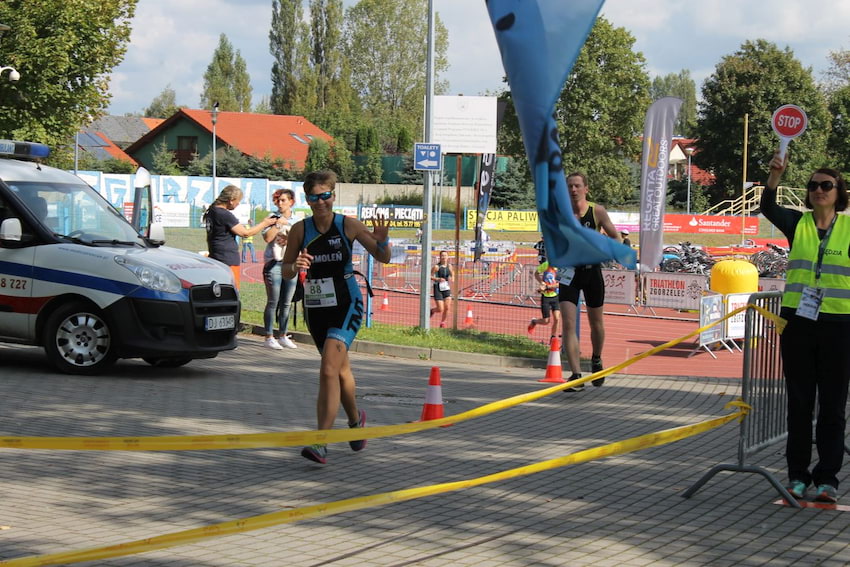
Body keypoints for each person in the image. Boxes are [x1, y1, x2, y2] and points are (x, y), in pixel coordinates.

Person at [282, 170, 391, 464]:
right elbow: (286, 270)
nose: (321, 202)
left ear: (333, 195)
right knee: (339, 372)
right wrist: (296, 265)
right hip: (316, 308)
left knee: (328, 369)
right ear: (307, 199)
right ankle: (356, 424)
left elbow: (383, 257)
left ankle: (321, 442)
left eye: (326, 195)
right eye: (314, 197)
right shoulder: (299, 230)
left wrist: (383, 242)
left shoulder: (348, 225)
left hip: (346, 303)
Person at [762, 151, 850, 503]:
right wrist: (774, 175)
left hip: (839, 325)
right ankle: (797, 477)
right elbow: (768, 206)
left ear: (839, 191)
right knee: (799, 404)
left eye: (826, 185)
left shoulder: (848, 228)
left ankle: (827, 479)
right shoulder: (797, 223)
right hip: (798, 322)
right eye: (813, 185)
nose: (818, 190)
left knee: (832, 405)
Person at [560, 172, 622, 391]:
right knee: (568, 323)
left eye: (577, 186)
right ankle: (576, 376)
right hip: (569, 273)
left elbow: (616, 237)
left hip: (592, 272)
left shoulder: (597, 211)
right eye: (569, 186)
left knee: (596, 322)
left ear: (586, 189)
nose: (573, 190)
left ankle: (596, 358)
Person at [203, 185, 276, 288]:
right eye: (238, 200)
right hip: (227, 259)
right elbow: (245, 233)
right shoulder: (224, 214)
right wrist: (265, 223)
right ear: (231, 200)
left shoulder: (212, 211)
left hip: (216, 256)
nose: (238, 203)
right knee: (231, 291)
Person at [261, 189, 298, 350]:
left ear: (291, 202)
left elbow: (302, 241)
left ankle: (283, 335)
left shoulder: (298, 219)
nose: (280, 203)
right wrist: (278, 224)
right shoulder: (272, 217)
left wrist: (289, 239)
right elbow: (267, 238)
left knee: (287, 303)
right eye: (278, 201)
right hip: (274, 264)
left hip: (291, 264)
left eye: (283, 200)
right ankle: (269, 336)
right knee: (273, 301)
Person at [529, 258, 561, 339]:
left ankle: (553, 337)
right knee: (546, 321)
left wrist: (547, 286)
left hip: (556, 296)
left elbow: (559, 284)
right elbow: (536, 273)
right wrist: (541, 282)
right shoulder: (546, 265)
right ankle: (534, 321)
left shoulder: (560, 268)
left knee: (557, 318)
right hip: (546, 297)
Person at [430, 250, 453, 328]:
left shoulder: (449, 266)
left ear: (448, 257)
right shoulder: (436, 267)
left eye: (445, 255)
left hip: (446, 287)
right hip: (438, 288)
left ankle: (442, 322)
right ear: (440, 257)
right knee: (440, 309)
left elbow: (452, 274)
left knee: (447, 307)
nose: (444, 257)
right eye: (442, 256)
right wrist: (438, 279)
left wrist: (452, 278)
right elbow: (430, 276)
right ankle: (432, 311)